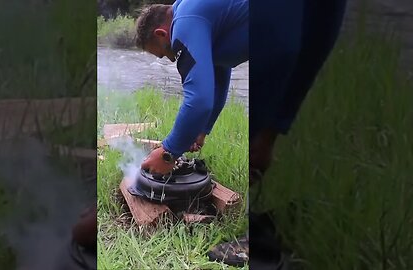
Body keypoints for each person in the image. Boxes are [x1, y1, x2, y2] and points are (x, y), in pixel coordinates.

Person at [137, 0, 347, 268]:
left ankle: (259, 241)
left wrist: (168, 153)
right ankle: (298, 218)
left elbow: (198, 100)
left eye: (164, 54)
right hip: (302, 23)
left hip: (274, 29)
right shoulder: (198, 11)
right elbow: (219, 73)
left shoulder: (184, 24)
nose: (169, 58)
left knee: (279, 63)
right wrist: (203, 128)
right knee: (305, 48)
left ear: (161, 34)